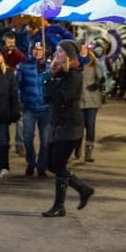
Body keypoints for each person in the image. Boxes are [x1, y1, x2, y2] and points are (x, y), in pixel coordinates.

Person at [40, 41, 95, 217]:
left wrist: (50, 80)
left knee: (59, 164)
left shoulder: (73, 75)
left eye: (61, 51)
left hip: (70, 126)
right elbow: (48, 98)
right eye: (56, 49)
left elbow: (62, 97)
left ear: (69, 55)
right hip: (57, 123)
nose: (57, 53)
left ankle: (59, 206)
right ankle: (83, 188)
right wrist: (50, 76)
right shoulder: (59, 73)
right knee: (51, 164)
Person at [17, 41, 50, 177]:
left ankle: (42, 166)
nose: (38, 52)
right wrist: (20, 101)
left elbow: (53, 85)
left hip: (45, 108)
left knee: (46, 140)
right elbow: (18, 86)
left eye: (40, 49)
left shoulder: (48, 66)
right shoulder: (24, 66)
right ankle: (31, 162)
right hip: (29, 108)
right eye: (35, 49)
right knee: (27, 137)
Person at [77, 43, 106, 162]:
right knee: (78, 127)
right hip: (78, 100)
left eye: (84, 47)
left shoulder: (94, 62)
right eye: (80, 47)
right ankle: (76, 147)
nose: (83, 49)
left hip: (92, 100)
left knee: (90, 126)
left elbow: (101, 78)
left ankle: (88, 153)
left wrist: (98, 83)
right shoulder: (75, 62)